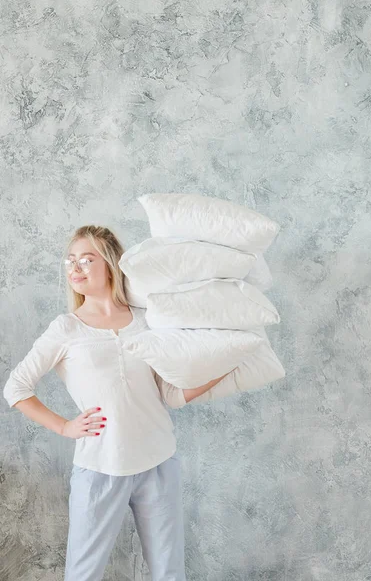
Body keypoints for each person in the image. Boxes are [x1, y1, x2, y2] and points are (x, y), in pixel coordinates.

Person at [3, 225, 234, 581]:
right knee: (84, 574)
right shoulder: (66, 328)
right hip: (100, 468)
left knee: (169, 572)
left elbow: (170, 394)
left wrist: (225, 366)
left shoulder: (147, 321)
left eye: (85, 260)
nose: (74, 269)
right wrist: (64, 426)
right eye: (70, 261)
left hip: (158, 462)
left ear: (110, 264)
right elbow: (16, 387)